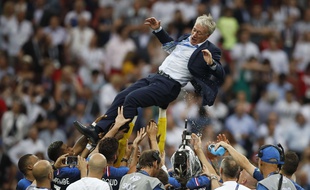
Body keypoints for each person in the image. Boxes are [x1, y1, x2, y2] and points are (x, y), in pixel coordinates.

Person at [74, 14, 225, 145]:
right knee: (121, 96)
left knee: (132, 99)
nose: (194, 34)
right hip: (156, 76)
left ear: (207, 36)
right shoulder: (186, 37)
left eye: (199, 33)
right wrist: (158, 30)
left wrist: (211, 64)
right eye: (194, 29)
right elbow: (171, 47)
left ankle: (113, 138)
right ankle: (97, 130)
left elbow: (221, 73)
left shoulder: (211, 50)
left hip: (169, 86)